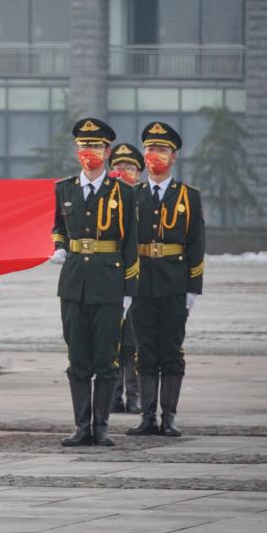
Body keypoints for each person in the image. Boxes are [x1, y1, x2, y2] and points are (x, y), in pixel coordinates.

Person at [49, 118, 138, 446]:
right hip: (74, 284)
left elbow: (131, 245)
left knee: (106, 357)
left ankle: (100, 427)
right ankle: (80, 426)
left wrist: (129, 290)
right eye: (84, 146)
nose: (89, 151)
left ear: (107, 151)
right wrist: (60, 246)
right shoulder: (64, 188)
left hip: (108, 283)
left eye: (96, 146)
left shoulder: (123, 192)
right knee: (78, 357)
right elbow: (58, 226)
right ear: (77, 151)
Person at [127, 121, 205, 438]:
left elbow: (196, 243)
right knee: (144, 350)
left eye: (161, 149)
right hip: (141, 283)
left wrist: (193, 288)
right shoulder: (132, 195)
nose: (153, 155)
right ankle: (147, 417)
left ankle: (169, 416)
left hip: (174, 283)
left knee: (171, 351)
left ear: (174, 156)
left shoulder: (188, 196)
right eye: (149, 148)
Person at [107, 143, 146, 415]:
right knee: (112, 337)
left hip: (140, 275)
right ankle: (113, 395)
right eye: (118, 167)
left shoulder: (145, 197)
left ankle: (134, 395)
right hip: (110, 274)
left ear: (139, 172)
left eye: (129, 167)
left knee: (133, 339)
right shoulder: (104, 197)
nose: (123, 171)